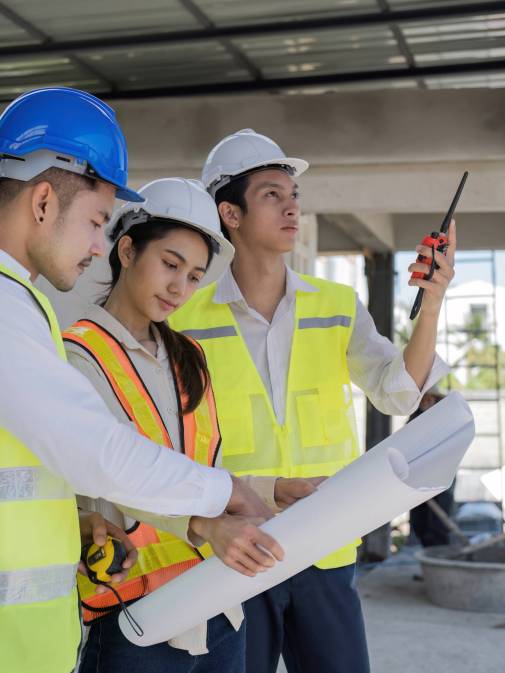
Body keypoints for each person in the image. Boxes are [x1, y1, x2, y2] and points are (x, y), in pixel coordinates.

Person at [0, 94, 280, 673]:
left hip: (74, 632)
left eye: (195, 275)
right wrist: (218, 502)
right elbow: (96, 454)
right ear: (45, 200)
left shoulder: (26, 309)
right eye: (98, 222)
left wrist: (269, 489)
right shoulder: (14, 311)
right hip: (106, 624)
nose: (98, 247)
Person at [171, 129, 455, 673]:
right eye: (272, 195)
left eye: (294, 195)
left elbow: (398, 391)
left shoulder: (337, 305)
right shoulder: (187, 320)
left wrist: (433, 303)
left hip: (325, 544)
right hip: (238, 545)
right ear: (229, 214)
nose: (292, 208)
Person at [64, 177, 297, 673]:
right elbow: (110, 475)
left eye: (194, 276)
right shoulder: (76, 355)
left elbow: (197, 471)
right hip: (134, 617)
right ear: (126, 250)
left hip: (219, 606)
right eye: (170, 264)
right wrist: (207, 525)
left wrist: (276, 489)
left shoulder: (189, 355)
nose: (179, 288)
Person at [408, 386, 455, 547]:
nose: (426, 401)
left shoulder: (445, 420)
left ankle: (439, 560)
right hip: (419, 477)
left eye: (430, 398)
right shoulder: (414, 420)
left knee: (438, 522)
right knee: (419, 521)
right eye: (424, 398)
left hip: (441, 476)